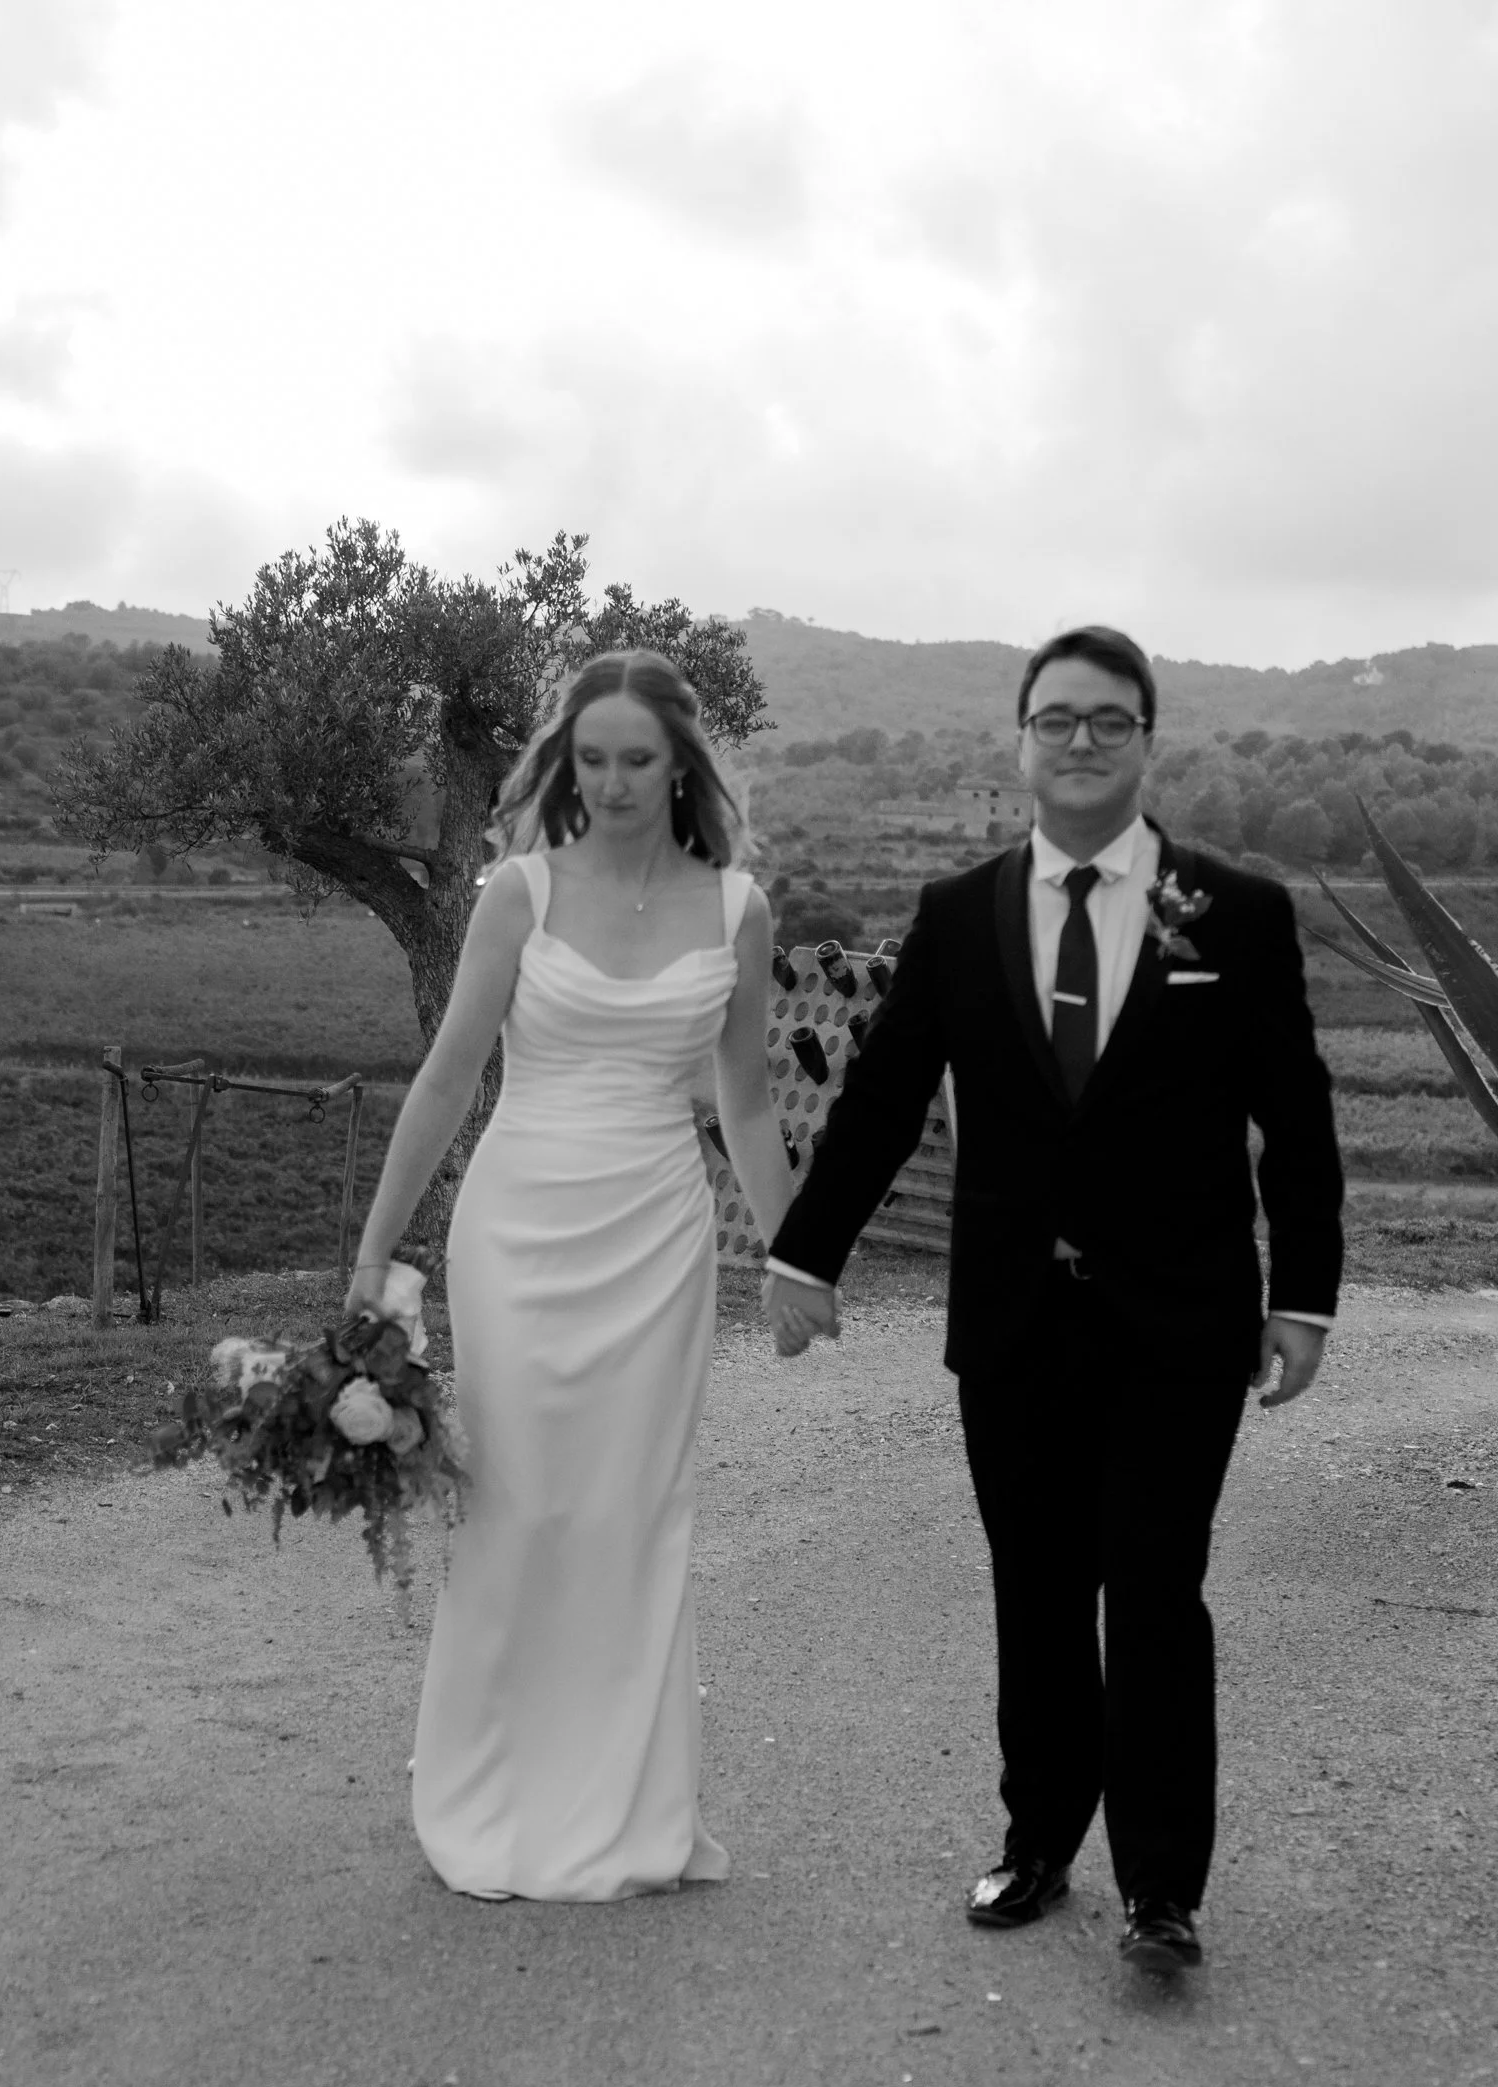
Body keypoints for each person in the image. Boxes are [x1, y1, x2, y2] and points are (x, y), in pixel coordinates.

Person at [763, 626, 1343, 1973]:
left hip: (1181, 1319)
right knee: (1031, 1587)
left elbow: (1294, 1121)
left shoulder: (1233, 915)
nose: (1079, 743)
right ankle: (1036, 1842)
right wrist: (808, 1250)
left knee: (1150, 1586)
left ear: (1145, 742)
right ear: (1018, 740)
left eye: (1107, 722)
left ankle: (1157, 1889)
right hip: (1014, 1315)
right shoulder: (956, 913)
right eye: (1055, 720)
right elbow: (884, 1094)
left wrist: (1302, 1296)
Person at [348, 650, 796, 1902]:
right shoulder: (519, 893)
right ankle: (487, 1787)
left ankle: (628, 1810)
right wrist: (377, 1246)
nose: (610, 782)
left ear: (682, 765)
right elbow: (447, 1075)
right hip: (520, 1224)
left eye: (636, 760)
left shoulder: (737, 910)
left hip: (657, 1231)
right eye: (590, 758)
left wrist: (797, 1253)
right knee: (520, 1504)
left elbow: (747, 1100)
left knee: (632, 1511)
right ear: (565, 761)